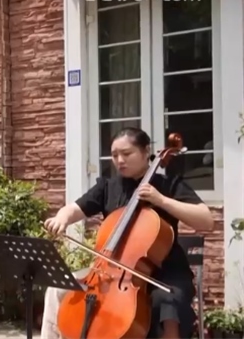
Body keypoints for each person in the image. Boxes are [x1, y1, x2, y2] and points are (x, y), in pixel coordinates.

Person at [40, 127, 214, 339]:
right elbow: (74, 209)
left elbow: (206, 220)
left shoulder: (168, 184)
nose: (119, 160)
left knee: (166, 301)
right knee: (58, 289)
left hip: (164, 271)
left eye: (126, 153)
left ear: (145, 151)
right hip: (109, 273)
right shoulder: (108, 186)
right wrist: (61, 218)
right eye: (114, 155)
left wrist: (161, 200)